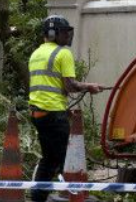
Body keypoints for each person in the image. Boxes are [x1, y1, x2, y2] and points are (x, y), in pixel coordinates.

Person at [28, 15, 103, 202]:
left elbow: (50, 84)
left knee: (49, 159)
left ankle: (37, 198)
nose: (68, 36)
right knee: (67, 161)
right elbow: (69, 86)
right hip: (52, 114)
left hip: (38, 113)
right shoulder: (63, 54)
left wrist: (62, 107)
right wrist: (89, 86)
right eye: (64, 32)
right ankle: (73, 197)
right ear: (53, 33)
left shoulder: (36, 53)